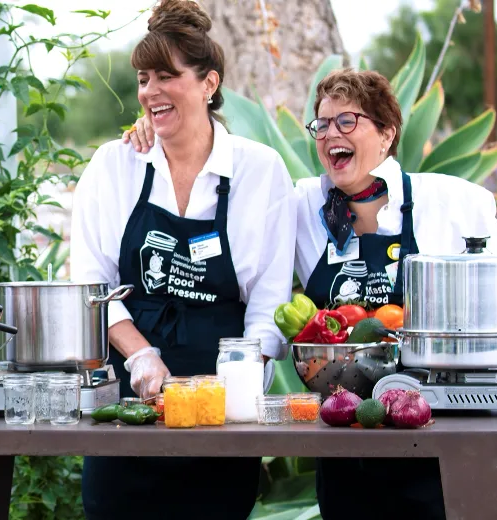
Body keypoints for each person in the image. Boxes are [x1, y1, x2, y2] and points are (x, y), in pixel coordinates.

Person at [128, 68, 497, 520]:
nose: (331, 134)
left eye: (347, 121)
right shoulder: (302, 205)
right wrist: (165, 130)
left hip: (435, 435)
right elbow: (232, 173)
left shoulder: (449, 202)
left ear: (388, 133)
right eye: (322, 125)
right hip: (345, 440)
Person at [70, 1, 295, 518]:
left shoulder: (260, 171)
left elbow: (268, 298)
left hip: (222, 397)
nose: (149, 91)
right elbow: (92, 285)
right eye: (143, 79)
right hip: (130, 394)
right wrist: (143, 359)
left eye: (166, 76)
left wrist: (241, 379)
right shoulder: (115, 165)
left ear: (209, 83)